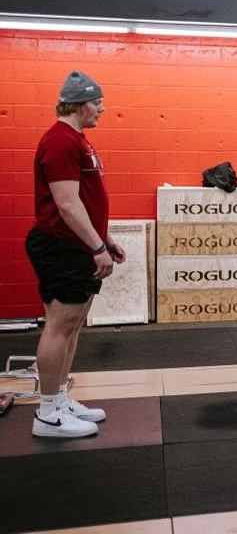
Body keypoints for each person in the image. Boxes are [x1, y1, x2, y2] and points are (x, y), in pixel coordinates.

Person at [26, 71, 123, 438]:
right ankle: (48, 413)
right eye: (97, 103)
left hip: (78, 245)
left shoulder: (77, 141)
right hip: (62, 246)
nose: (102, 109)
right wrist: (96, 247)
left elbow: (85, 200)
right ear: (80, 104)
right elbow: (66, 204)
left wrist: (104, 238)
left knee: (73, 325)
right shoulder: (59, 142)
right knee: (59, 325)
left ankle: (60, 399)